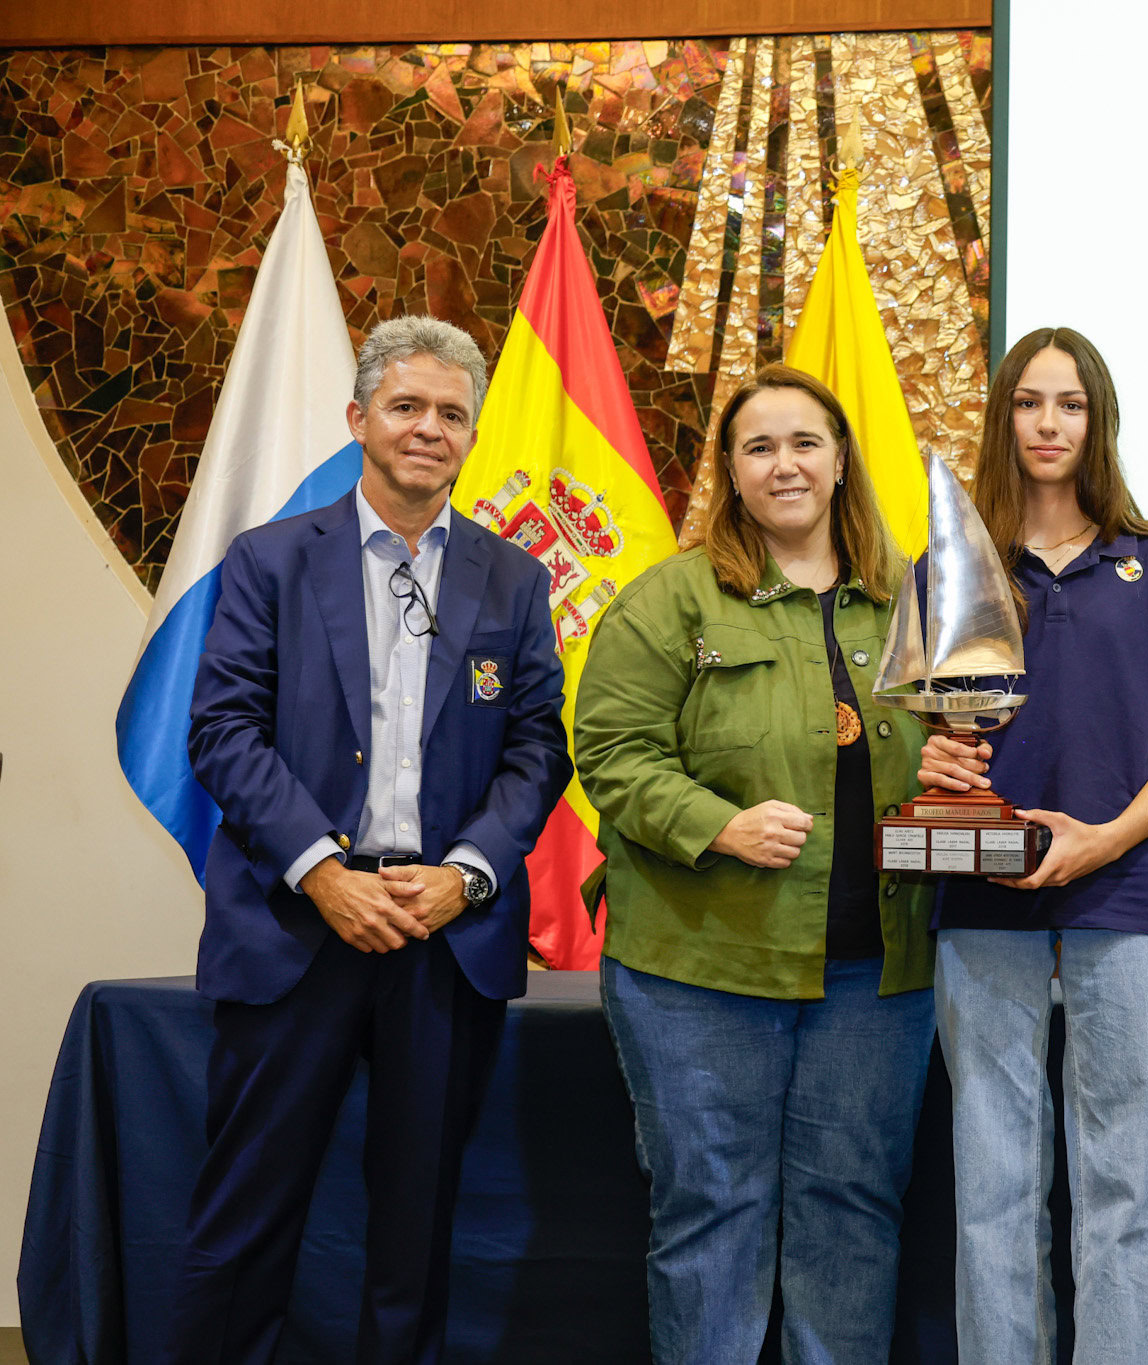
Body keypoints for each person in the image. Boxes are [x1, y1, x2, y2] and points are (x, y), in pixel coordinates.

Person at [168, 316, 572, 1365]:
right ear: (359, 420)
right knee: (245, 1217)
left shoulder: (515, 580)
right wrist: (322, 872)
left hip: (443, 939)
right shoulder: (268, 563)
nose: (427, 429)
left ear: (471, 433)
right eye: (406, 407)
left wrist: (467, 876)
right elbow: (221, 730)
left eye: (450, 413)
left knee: (416, 1226)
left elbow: (537, 749)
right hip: (294, 933)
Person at [574, 365, 935, 1364]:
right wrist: (718, 825)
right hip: (701, 968)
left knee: (853, 1215)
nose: (785, 464)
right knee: (711, 1214)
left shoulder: (909, 597)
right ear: (729, 472)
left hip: (875, 976)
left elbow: (960, 741)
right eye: (759, 447)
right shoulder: (669, 601)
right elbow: (609, 752)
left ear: (840, 461)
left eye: (805, 442)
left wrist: (951, 760)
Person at [916, 326, 1148, 1363]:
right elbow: (927, 736)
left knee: (1124, 1189)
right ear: (1002, 419)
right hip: (979, 903)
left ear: (1098, 422)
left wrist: (1102, 843)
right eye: (1028, 403)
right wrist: (938, 764)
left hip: (1126, 896)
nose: (1048, 424)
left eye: (1070, 404)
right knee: (991, 1189)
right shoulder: (951, 568)